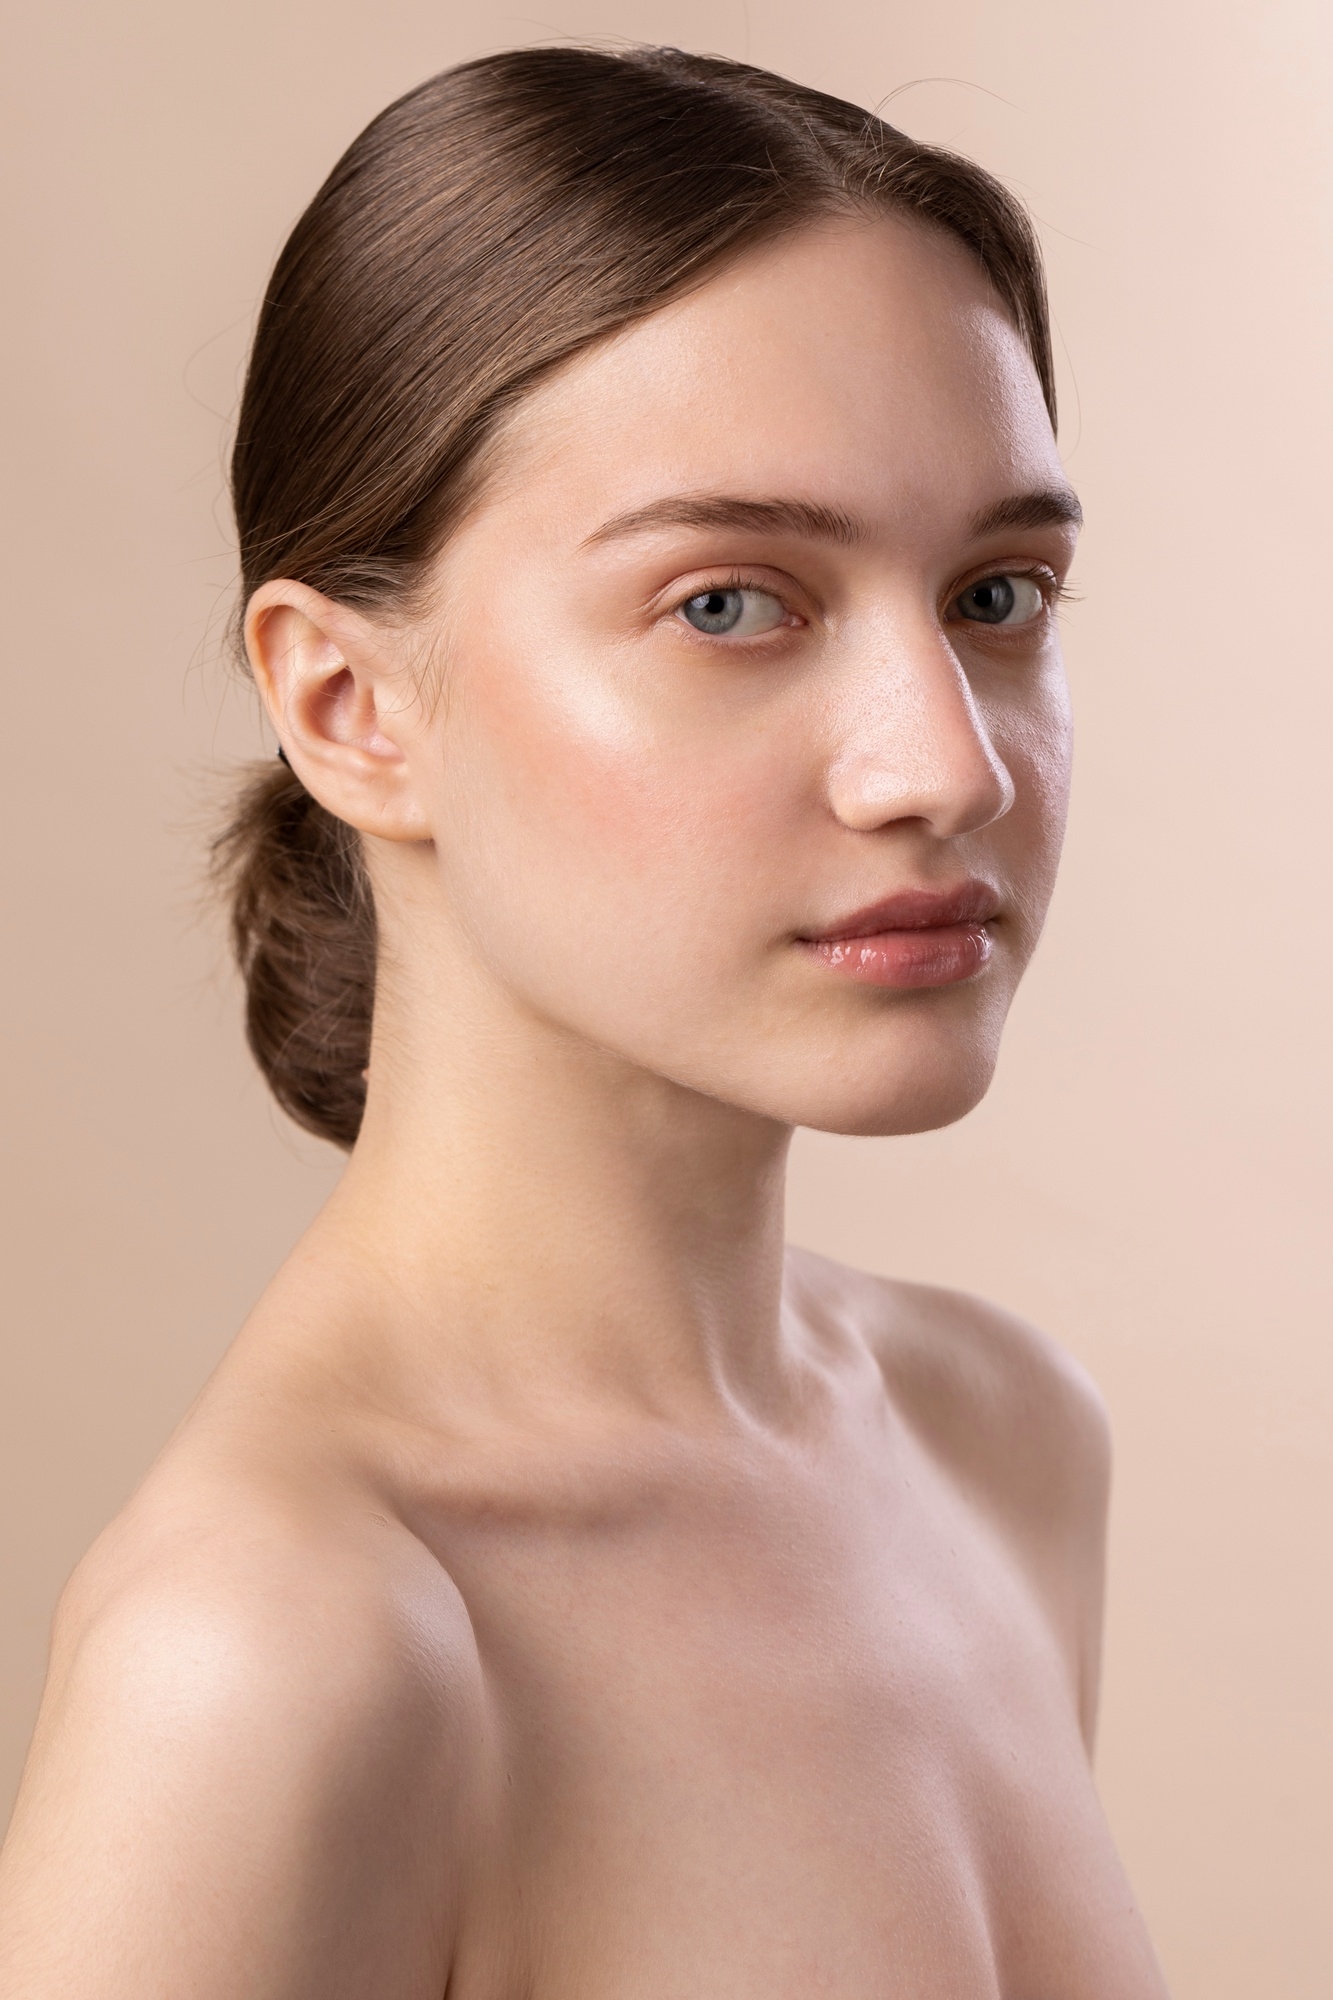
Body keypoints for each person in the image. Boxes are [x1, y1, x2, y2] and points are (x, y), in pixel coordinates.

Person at [0, 45, 1169, 1997]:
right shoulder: (285, 1660)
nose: (939, 767)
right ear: (350, 705)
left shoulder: (1002, 1445)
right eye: (730, 603)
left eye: (993, 591)